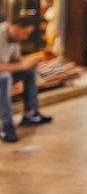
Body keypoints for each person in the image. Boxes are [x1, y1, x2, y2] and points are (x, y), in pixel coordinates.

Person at [1, 15, 52, 143]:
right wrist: (21, 65)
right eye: (25, 33)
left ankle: (30, 114)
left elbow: (14, 58)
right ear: (17, 28)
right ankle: (6, 125)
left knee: (30, 69)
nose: (26, 38)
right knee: (5, 77)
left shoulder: (13, 38)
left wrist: (29, 62)